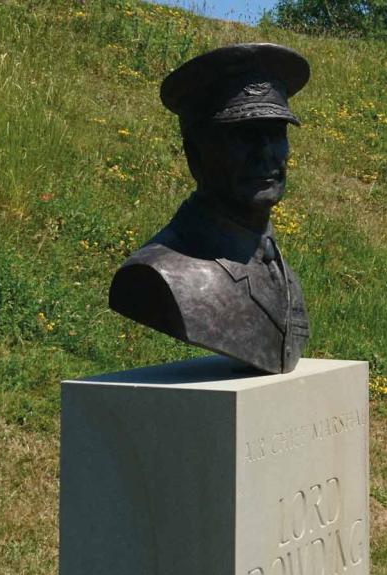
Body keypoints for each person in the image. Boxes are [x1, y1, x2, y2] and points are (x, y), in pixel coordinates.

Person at [109, 43, 310, 373]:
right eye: (243, 135)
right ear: (194, 154)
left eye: (276, 133)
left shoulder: (281, 271)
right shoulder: (160, 275)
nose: (266, 153)